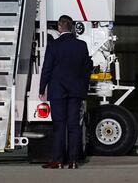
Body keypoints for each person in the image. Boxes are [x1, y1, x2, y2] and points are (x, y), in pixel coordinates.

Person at [39, 15, 93, 169]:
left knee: (59, 126)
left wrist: (42, 88)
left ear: (59, 27)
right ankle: (74, 161)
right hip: (76, 91)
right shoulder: (81, 45)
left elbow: (47, 69)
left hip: (58, 91)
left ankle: (57, 161)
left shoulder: (53, 45)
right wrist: (83, 87)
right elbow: (87, 67)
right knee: (74, 126)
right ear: (71, 27)